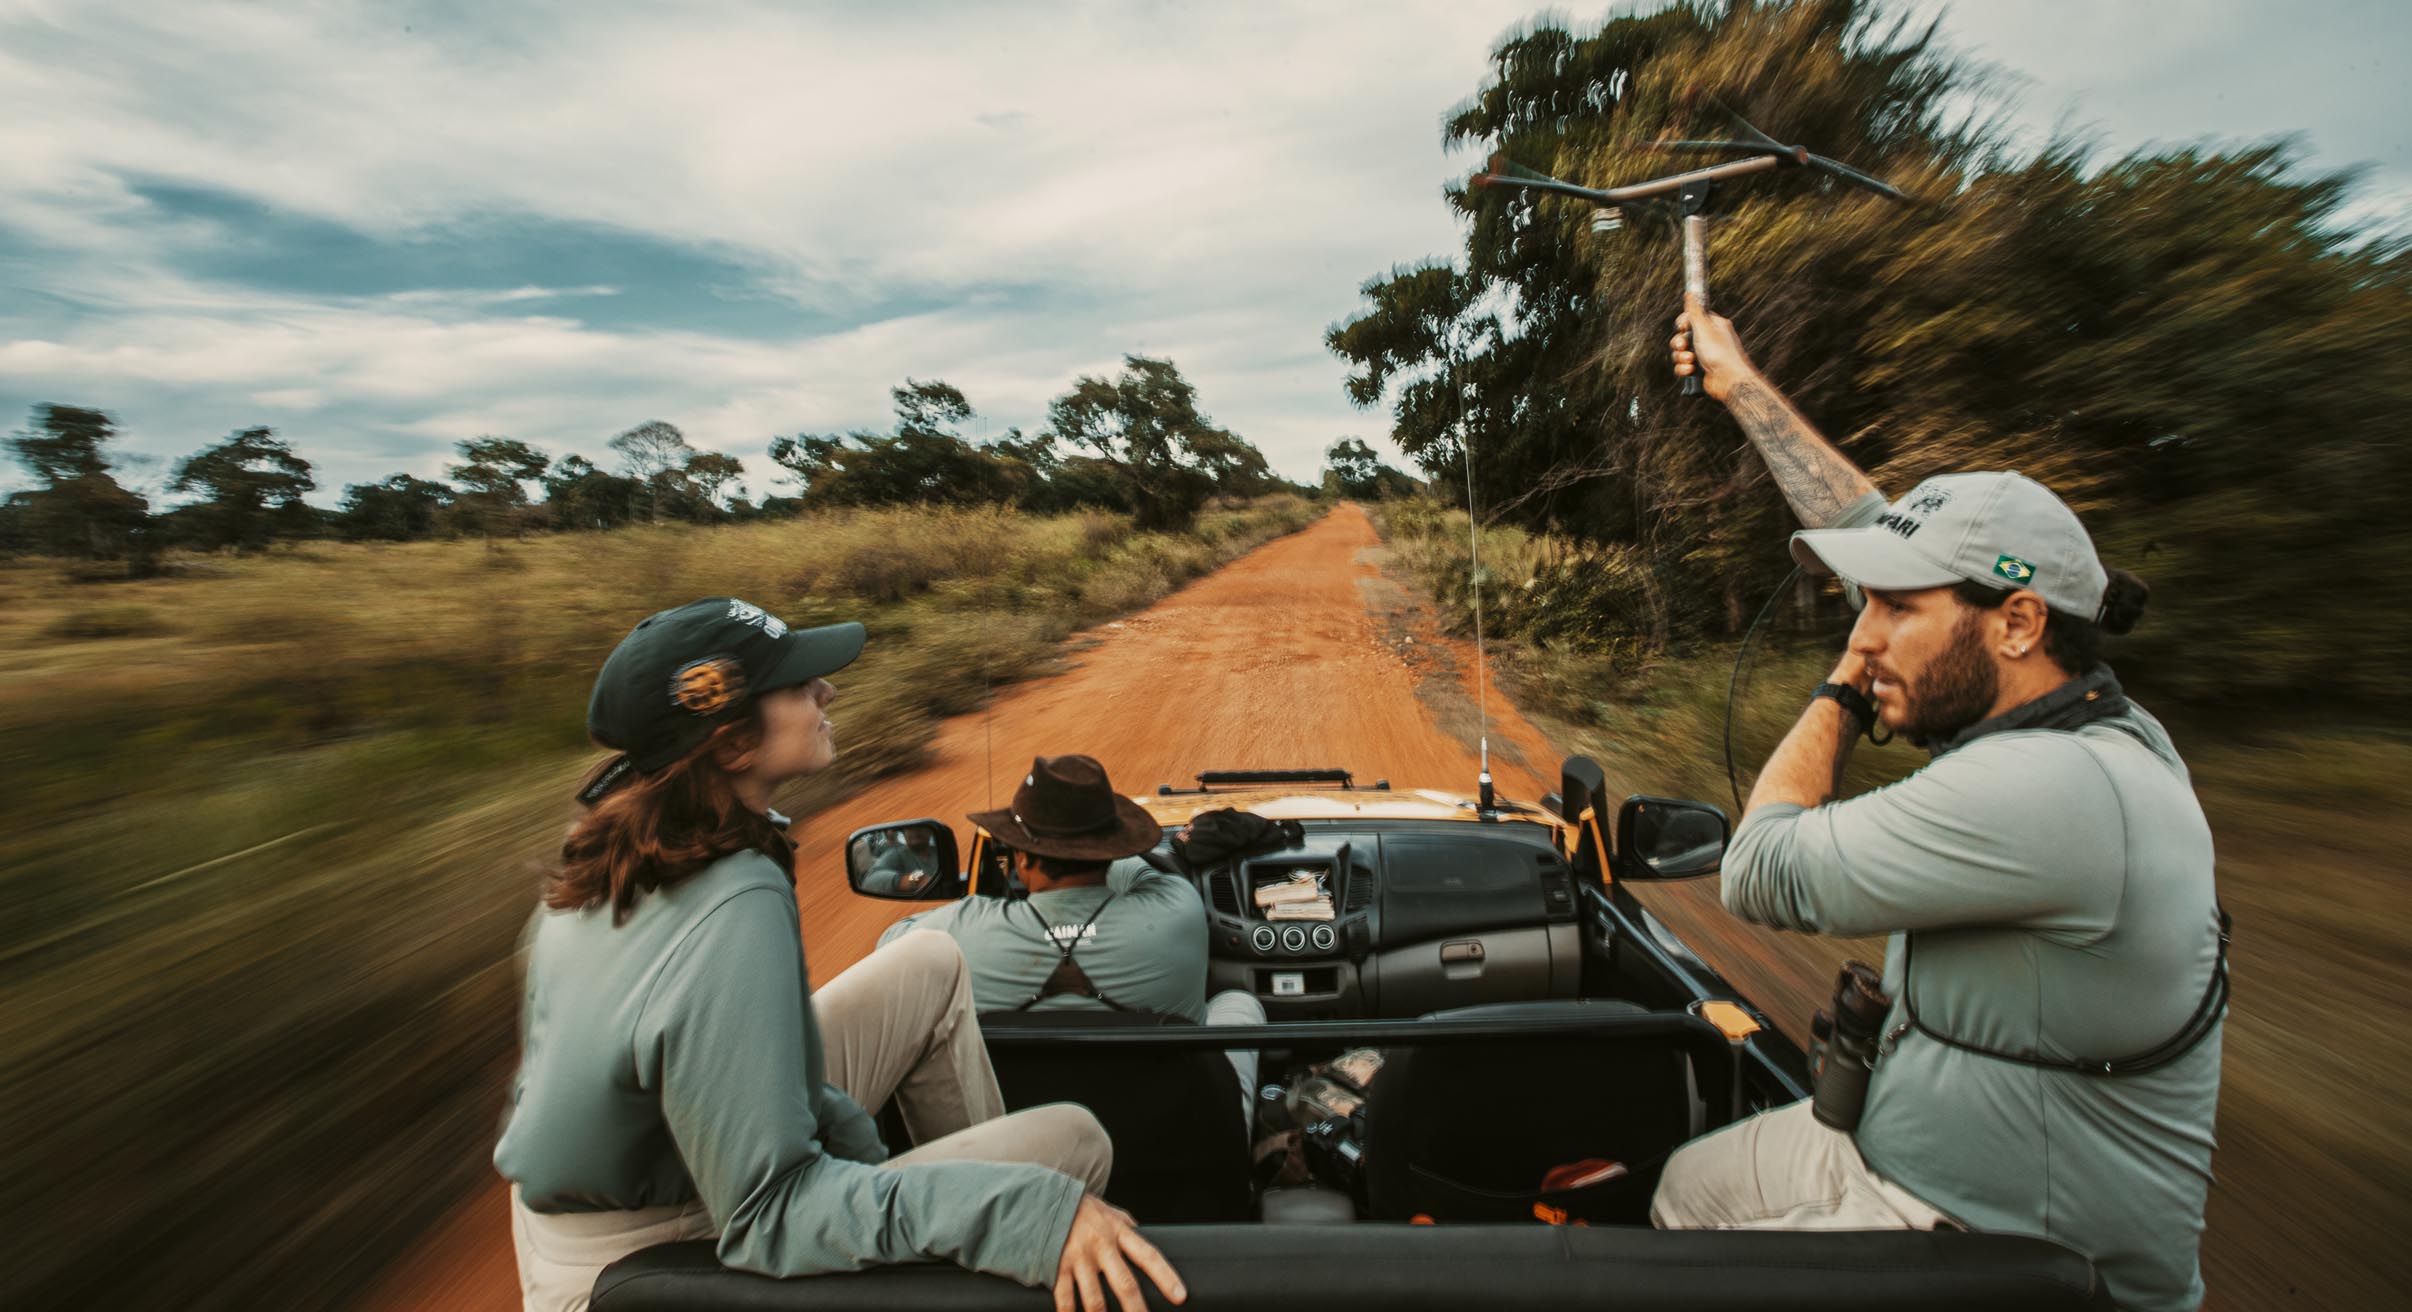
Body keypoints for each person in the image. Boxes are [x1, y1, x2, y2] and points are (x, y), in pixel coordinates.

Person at [1652, 303, 2224, 1312]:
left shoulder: (2047, 790)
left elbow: (1758, 867)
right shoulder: (2090, 732)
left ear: (2017, 623)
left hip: (1998, 1251)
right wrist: (1739, 382)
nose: (1867, 633)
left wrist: (1840, 689)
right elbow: (1867, 519)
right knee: (1687, 1188)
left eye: (1896, 607)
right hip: (1895, 1162)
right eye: (1864, 606)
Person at [492, 599, 1186, 1312]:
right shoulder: (734, 900)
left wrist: (859, 1150)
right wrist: (1017, 1211)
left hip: (632, 1183)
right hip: (656, 1264)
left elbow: (688, 1057)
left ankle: (940, 1252)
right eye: (798, 687)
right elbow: (770, 1215)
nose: (827, 692)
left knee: (930, 962)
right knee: (1073, 1141)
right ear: (733, 745)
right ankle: (969, 1273)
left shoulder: (616, 853)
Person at [880, 754, 1267, 1122]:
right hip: (1169, 1153)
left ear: (1022, 858)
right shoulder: (1179, 908)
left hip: (1018, 1153)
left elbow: (891, 941)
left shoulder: (955, 934)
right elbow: (1149, 870)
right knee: (1237, 1003)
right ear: (1110, 851)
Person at [858, 826, 940, 897]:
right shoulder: (896, 854)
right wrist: (914, 880)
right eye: (910, 828)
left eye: (920, 827)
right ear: (904, 833)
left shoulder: (940, 852)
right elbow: (869, 881)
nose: (915, 831)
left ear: (929, 832)